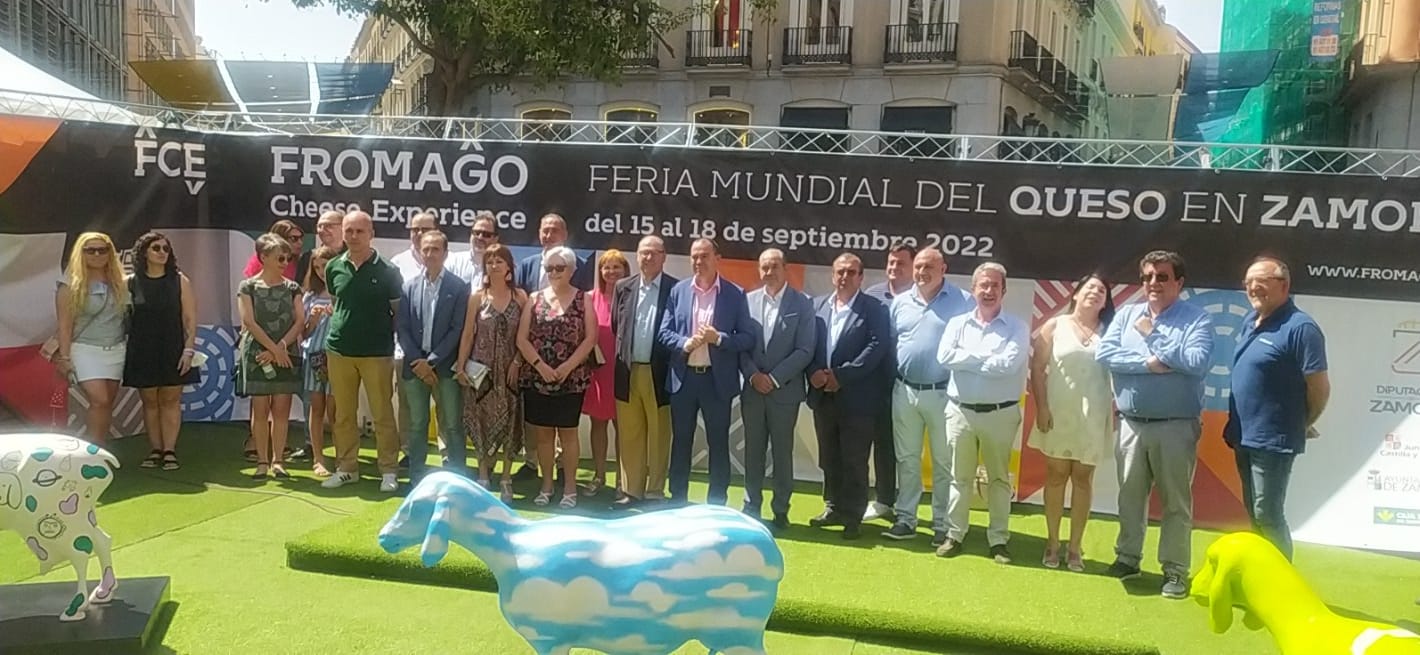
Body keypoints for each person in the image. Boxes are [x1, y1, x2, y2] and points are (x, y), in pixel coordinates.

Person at [1096, 250, 1214, 599]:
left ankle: (1175, 571)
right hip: (1131, 423)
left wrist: (1153, 336)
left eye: (1162, 276)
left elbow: (1195, 362)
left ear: (1179, 282)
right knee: (1130, 496)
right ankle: (1128, 558)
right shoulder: (1127, 314)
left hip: (1175, 426)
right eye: (1147, 276)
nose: (1153, 283)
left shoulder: (1197, 320)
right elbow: (1105, 355)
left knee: (1176, 503)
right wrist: (1150, 363)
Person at [1224, 256, 1330, 562]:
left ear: (1284, 285)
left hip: (1274, 440)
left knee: (1267, 514)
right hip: (1243, 435)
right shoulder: (1250, 320)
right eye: (1248, 282)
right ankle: (1263, 580)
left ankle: (1283, 586)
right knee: (1254, 512)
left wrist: (1303, 421)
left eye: (1261, 281)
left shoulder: (1301, 328)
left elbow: (1320, 388)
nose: (1253, 288)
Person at [936, 263, 1031, 564]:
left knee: (999, 479)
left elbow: (1008, 365)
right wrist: (985, 357)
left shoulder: (1017, 326)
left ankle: (998, 540)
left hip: (999, 414)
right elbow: (944, 357)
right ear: (974, 289)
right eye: (983, 285)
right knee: (958, 477)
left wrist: (967, 358)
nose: (988, 291)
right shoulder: (957, 322)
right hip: (959, 411)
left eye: (994, 286)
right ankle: (955, 534)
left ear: (1004, 290)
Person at [1027, 273, 1117, 572]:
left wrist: (1116, 411)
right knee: (1055, 476)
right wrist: (1041, 407)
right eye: (1089, 287)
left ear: (1106, 301)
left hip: (1094, 416)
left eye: (1101, 290)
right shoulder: (1055, 325)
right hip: (1058, 413)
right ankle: (1052, 542)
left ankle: (1075, 547)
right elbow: (1037, 369)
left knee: (1083, 479)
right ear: (1076, 294)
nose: (1094, 292)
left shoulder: (1112, 331)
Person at [884, 248, 974, 543]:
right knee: (907, 459)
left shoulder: (963, 302)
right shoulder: (899, 303)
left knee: (943, 462)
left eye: (929, 266)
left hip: (944, 393)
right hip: (905, 390)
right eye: (919, 266)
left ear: (943, 268)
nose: (922, 271)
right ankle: (906, 519)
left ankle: (942, 524)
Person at [658, 238, 755, 507]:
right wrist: (683, 343)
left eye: (704, 256)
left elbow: (747, 338)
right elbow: (664, 333)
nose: (699, 262)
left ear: (717, 258)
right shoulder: (679, 291)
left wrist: (719, 338)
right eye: (694, 257)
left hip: (716, 382)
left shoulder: (735, 294)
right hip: (684, 379)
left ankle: (716, 502)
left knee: (718, 443)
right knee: (681, 443)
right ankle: (677, 499)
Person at [321, 211, 404, 492]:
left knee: (382, 414)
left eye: (359, 231)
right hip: (339, 350)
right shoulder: (333, 267)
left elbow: (397, 313)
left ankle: (388, 471)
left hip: (377, 352)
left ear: (371, 234)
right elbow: (337, 303)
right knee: (344, 415)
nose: (354, 237)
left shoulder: (389, 271)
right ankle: (347, 468)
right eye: (349, 231)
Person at [807, 253, 889, 539]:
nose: (844, 277)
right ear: (832, 275)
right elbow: (807, 345)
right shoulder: (817, 306)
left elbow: (876, 349)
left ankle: (854, 515)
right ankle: (833, 506)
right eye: (840, 272)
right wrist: (814, 372)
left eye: (851, 272)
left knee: (854, 459)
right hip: (822, 396)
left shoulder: (874, 309)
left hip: (857, 397)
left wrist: (840, 376)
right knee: (828, 456)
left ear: (861, 277)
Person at [516, 245, 598, 508]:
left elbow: (590, 339)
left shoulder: (583, 299)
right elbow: (522, 338)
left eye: (559, 267)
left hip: (571, 379)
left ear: (572, 270)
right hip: (538, 376)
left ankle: (570, 489)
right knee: (542, 435)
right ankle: (547, 485)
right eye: (549, 268)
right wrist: (540, 366)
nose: (553, 272)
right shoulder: (534, 298)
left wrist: (567, 368)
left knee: (568, 434)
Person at [740, 248, 815, 530]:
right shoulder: (746, 302)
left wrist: (772, 378)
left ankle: (781, 508)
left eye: (774, 267)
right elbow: (741, 346)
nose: (768, 272)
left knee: (782, 453)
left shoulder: (803, 303)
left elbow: (805, 349)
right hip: (753, 390)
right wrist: (753, 376)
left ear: (785, 269)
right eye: (764, 267)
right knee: (753, 451)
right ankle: (751, 505)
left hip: (784, 392)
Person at [395, 230, 470, 485]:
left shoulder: (459, 287)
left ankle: (458, 475)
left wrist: (433, 361)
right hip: (415, 366)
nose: (429, 254)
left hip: (445, 366)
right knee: (417, 424)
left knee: (451, 423)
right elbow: (402, 327)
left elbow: (457, 329)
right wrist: (419, 362)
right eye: (425, 249)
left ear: (445, 253)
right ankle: (417, 476)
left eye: (435, 249)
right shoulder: (409, 286)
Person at [455, 244, 527, 502]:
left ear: (509, 267)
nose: (494, 265)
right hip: (481, 371)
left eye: (499, 261)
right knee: (480, 421)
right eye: (490, 261)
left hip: (509, 371)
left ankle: (506, 477)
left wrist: (519, 361)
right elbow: (467, 334)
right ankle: (484, 474)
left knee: (510, 423)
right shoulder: (477, 297)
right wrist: (461, 365)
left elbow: (526, 336)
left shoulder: (520, 297)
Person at [611, 236, 678, 510]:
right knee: (630, 433)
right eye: (643, 253)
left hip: (659, 372)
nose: (648, 258)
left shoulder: (675, 289)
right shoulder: (622, 287)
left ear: (664, 257)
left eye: (654, 253)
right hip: (628, 370)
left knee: (660, 433)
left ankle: (654, 491)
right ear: (636, 257)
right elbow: (618, 326)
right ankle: (631, 491)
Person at [124, 232, 198, 471]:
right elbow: (122, 317)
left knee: (170, 399)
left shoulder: (179, 280)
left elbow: (190, 318)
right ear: (144, 252)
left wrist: (188, 350)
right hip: (142, 347)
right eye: (156, 248)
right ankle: (155, 449)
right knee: (149, 400)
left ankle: (169, 450)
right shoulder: (130, 282)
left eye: (166, 249)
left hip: (173, 346)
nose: (162, 253)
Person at [235, 233, 305, 481]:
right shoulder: (248, 286)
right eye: (279, 257)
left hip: (285, 352)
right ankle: (262, 461)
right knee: (261, 409)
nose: (285, 262)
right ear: (263, 257)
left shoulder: (293, 288)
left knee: (282, 410)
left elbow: (300, 321)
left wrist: (281, 346)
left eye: (287, 258)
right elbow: (248, 321)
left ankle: (278, 461)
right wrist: (273, 350)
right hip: (258, 353)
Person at [53, 232, 130, 446]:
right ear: (81, 253)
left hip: (116, 348)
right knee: (99, 399)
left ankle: (100, 447)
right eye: (90, 250)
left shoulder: (121, 282)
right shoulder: (70, 285)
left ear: (110, 253)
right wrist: (65, 357)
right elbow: (64, 325)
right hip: (85, 348)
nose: (97, 254)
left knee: (107, 403)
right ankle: (93, 451)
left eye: (102, 249)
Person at [861, 241, 915, 522]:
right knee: (881, 443)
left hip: (909, 385)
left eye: (901, 263)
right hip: (873, 385)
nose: (894, 268)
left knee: (906, 449)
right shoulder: (872, 295)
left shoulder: (921, 298)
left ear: (913, 267)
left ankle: (908, 506)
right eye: (891, 263)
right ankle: (883, 500)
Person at [390, 212, 438, 467]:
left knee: (444, 406)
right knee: (408, 407)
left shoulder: (445, 260)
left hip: (441, 352)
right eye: (414, 229)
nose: (419, 233)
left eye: (424, 228)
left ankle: (447, 456)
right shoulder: (397, 263)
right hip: (406, 350)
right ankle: (409, 452)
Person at [582, 249, 629, 496]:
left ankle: (623, 481)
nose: (611, 272)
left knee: (623, 427)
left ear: (625, 271)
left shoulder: (632, 297)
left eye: (616, 267)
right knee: (597, 424)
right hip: (598, 371)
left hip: (623, 370)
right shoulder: (590, 298)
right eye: (606, 267)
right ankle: (599, 476)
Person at [300, 245, 340, 477]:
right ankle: (318, 458)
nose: (321, 271)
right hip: (315, 356)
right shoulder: (309, 296)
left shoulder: (344, 293)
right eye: (316, 267)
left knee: (336, 411)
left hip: (337, 356)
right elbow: (303, 334)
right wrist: (313, 321)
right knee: (316, 408)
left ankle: (343, 457)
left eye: (324, 265)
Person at [516, 213, 594, 293]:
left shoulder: (582, 266)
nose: (549, 236)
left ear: (565, 235)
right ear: (539, 234)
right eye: (545, 231)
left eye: (554, 231)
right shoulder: (527, 265)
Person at [446, 211, 500, 289]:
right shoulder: (454, 261)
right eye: (476, 233)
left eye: (486, 235)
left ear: (495, 239)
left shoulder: (501, 267)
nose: (480, 237)